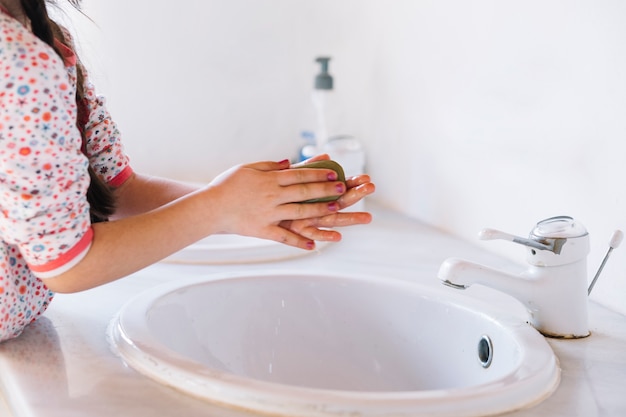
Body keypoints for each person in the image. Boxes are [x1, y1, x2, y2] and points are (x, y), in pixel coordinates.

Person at [0, 0, 375, 342]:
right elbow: (68, 266)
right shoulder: (18, 59)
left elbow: (118, 187)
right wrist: (220, 207)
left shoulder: (43, 37)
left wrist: (258, 200)